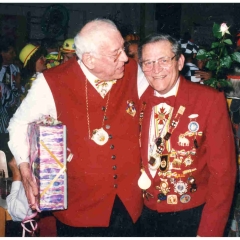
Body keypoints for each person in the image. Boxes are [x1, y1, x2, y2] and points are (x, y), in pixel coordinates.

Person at [7, 18, 142, 237]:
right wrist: (23, 167)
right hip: (79, 208)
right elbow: (18, 123)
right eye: (116, 53)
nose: (125, 58)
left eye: (123, 49)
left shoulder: (134, 71)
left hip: (129, 204)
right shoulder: (51, 81)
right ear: (89, 59)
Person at [137, 33, 237, 237]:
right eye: (148, 62)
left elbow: (224, 174)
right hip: (143, 213)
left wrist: (209, 231)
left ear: (180, 61)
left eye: (164, 60)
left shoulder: (209, 101)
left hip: (190, 214)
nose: (155, 70)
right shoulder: (137, 100)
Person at [0, 37, 21, 168]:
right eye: (11, 52)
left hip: (10, 112)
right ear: (2, 53)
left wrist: (19, 86)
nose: (14, 55)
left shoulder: (15, 69)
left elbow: (16, 90)